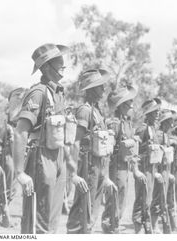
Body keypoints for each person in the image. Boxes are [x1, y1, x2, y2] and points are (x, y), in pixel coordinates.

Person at [13, 43, 70, 233]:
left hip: (58, 158)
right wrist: (20, 172)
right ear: (46, 67)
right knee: (38, 222)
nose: (64, 67)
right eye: (59, 63)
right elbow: (21, 132)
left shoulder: (59, 92)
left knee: (52, 222)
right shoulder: (38, 93)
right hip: (41, 160)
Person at [66, 69, 119, 234]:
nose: (104, 89)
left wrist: (106, 176)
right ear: (91, 89)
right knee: (83, 211)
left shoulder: (98, 111)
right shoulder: (85, 110)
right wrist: (73, 174)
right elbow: (75, 142)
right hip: (87, 167)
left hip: (98, 167)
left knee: (91, 212)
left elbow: (104, 148)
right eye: (100, 86)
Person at [106, 85, 140, 225]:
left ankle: (115, 222)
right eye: (129, 103)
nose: (131, 106)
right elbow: (109, 148)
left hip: (125, 165)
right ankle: (110, 223)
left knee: (123, 196)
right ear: (121, 105)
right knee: (115, 195)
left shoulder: (127, 123)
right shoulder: (115, 123)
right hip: (116, 165)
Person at [133, 98, 163, 233]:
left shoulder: (153, 129)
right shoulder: (142, 129)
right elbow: (135, 152)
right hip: (143, 170)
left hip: (151, 170)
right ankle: (138, 231)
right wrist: (136, 171)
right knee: (141, 201)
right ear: (148, 113)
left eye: (158, 112)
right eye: (155, 112)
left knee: (147, 202)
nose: (158, 114)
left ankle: (147, 227)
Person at [0, 113, 16, 228]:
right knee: (6, 187)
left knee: (13, 189)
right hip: (8, 158)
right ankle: (3, 215)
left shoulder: (21, 126)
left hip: (17, 160)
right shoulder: (6, 127)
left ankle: (4, 212)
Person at [157, 109, 177, 231]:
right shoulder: (160, 135)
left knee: (166, 199)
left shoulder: (166, 135)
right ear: (165, 122)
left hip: (167, 171)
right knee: (160, 199)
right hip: (160, 172)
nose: (172, 125)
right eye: (170, 122)